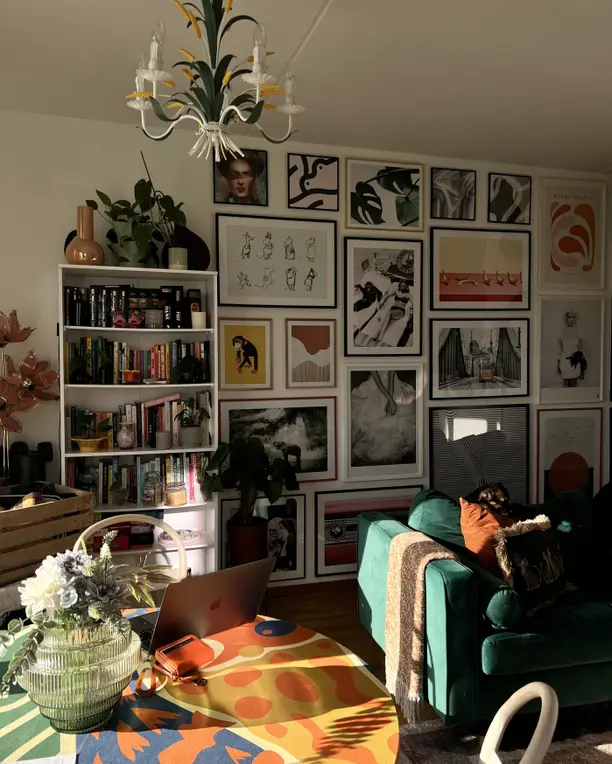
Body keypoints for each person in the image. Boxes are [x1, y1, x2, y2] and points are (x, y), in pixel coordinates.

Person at [557, 310, 587, 388]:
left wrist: (583, 365)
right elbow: (559, 349)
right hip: (565, 360)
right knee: (566, 384)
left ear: (576, 319)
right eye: (569, 317)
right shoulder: (562, 332)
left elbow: (582, 349)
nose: (571, 319)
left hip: (575, 361)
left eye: (573, 317)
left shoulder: (579, 332)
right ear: (566, 319)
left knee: (574, 383)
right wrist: (558, 363)